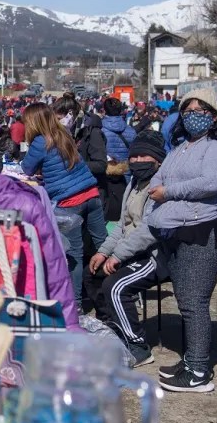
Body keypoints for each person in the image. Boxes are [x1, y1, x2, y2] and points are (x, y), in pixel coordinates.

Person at [145, 89, 217, 393]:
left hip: (207, 230)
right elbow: (159, 176)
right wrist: (162, 188)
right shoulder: (182, 146)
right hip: (180, 228)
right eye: (187, 110)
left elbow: (210, 184)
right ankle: (191, 360)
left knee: (194, 301)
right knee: (186, 298)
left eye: (199, 110)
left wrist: (169, 192)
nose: (192, 115)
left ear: (213, 116)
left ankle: (198, 371)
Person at [88, 131, 168, 367]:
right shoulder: (133, 183)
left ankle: (138, 345)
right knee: (91, 273)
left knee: (115, 286)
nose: (137, 161)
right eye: (134, 156)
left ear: (158, 160)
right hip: (130, 250)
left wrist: (117, 255)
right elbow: (123, 226)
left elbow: (148, 231)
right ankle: (112, 328)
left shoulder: (160, 188)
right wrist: (103, 252)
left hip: (155, 255)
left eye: (144, 156)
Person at [21, 103, 107, 309]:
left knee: (73, 255)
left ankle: (75, 305)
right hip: (91, 194)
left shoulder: (40, 142)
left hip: (69, 202)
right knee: (103, 245)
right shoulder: (63, 134)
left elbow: (26, 168)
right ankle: (108, 294)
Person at [100, 98, 137, 221]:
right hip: (126, 176)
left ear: (104, 111)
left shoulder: (100, 131)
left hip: (106, 177)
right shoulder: (131, 131)